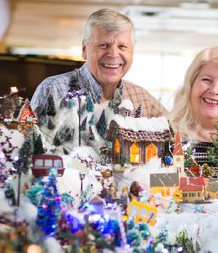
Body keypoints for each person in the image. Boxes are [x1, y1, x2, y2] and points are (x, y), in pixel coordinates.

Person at [31, 9, 167, 152]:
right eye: (104, 45)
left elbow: (178, 137)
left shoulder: (143, 99)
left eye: (122, 46)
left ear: (132, 51)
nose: (113, 54)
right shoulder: (53, 89)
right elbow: (32, 149)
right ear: (84, 49)